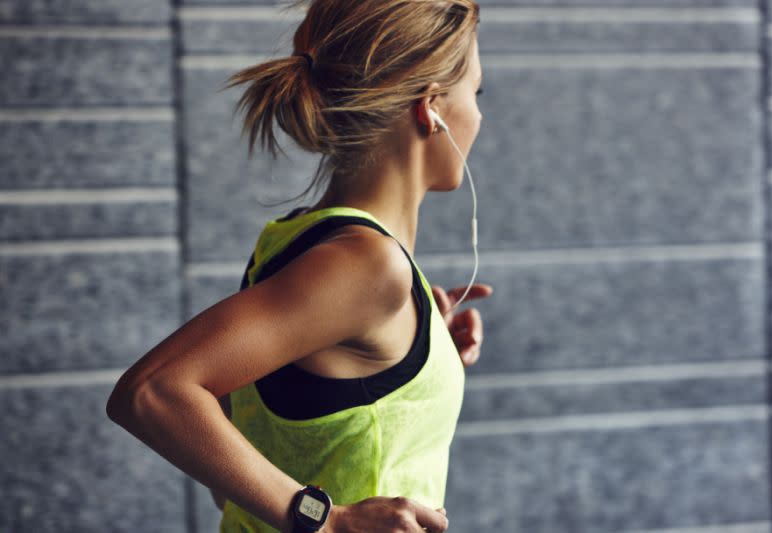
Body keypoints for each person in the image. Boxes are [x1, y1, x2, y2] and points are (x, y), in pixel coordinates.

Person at [105, 0, 492, 531]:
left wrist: (421, 357)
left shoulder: (304, 241)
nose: (480, 115)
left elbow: (293, 426)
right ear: (432, 109)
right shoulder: (367, 265)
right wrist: (324, 520)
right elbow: (151, 392)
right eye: (476, 92)